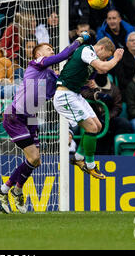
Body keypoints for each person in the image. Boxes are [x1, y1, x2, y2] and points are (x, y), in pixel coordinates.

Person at [0, 34, 89, 213]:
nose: (51, 51)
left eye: (51, 49)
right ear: (38, 54)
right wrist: (79, 41)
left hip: (31, 118)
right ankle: (6, 190)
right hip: (15, 115)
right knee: (34, 158)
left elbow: (70, 87)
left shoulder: (53, 77)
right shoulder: (36, 64)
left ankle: (14, 189)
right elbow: (62, 56)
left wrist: (88, 86)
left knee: (35, 161)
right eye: (48, 49)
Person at [53, 37, 124, 180]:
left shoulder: (90, 60)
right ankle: (90, 165)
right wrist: (116, 59)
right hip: (65, 95)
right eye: (106, 57)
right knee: (91, 127)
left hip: (75, 94)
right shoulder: (87, 50)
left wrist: (87, 83)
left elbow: (79, 73)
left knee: (97, 126)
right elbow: (103, 67)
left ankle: (78, 157)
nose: (105, 61)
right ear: (102, 48)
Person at [81, 73, 132, 154]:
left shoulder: (114, 88)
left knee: (124, 123)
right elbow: (83, 95)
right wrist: (97, 95)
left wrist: (108, 116)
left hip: (108, 117)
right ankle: (93, 154)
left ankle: (117, 151)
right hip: (91, 117)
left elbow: (117, 106)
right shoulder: (87, 84)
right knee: (96, 126)